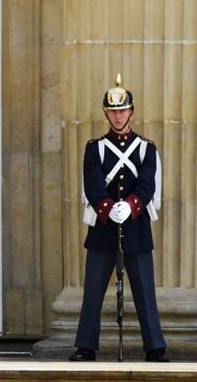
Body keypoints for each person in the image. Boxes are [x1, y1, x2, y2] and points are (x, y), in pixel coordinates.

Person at [69, 74, 169, 362]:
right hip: (104, 228)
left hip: (136, 228)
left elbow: (148, 184)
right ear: (106, 113)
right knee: (93, 292)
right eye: (112, 111)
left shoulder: (146, 149)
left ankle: (155, 347)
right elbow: (93, 182)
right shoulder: (95, 148)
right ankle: (86, 345)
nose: (117, 116)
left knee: (145, 292)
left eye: (122, 110)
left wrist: (133, 205)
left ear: (132, 112)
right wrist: (106, 206)